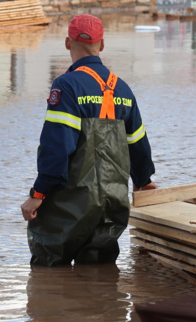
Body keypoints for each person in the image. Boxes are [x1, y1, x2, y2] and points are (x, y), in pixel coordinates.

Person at [21, 14, 156, 267]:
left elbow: (57, 145)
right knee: (100, 272)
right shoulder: (123, 89)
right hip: (112, 203)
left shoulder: (66, 85)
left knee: (49, 271)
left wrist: (38, 193)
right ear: (102, 45)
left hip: (70, 203)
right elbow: (137, 143)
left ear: (67, 43)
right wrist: (143, 181)